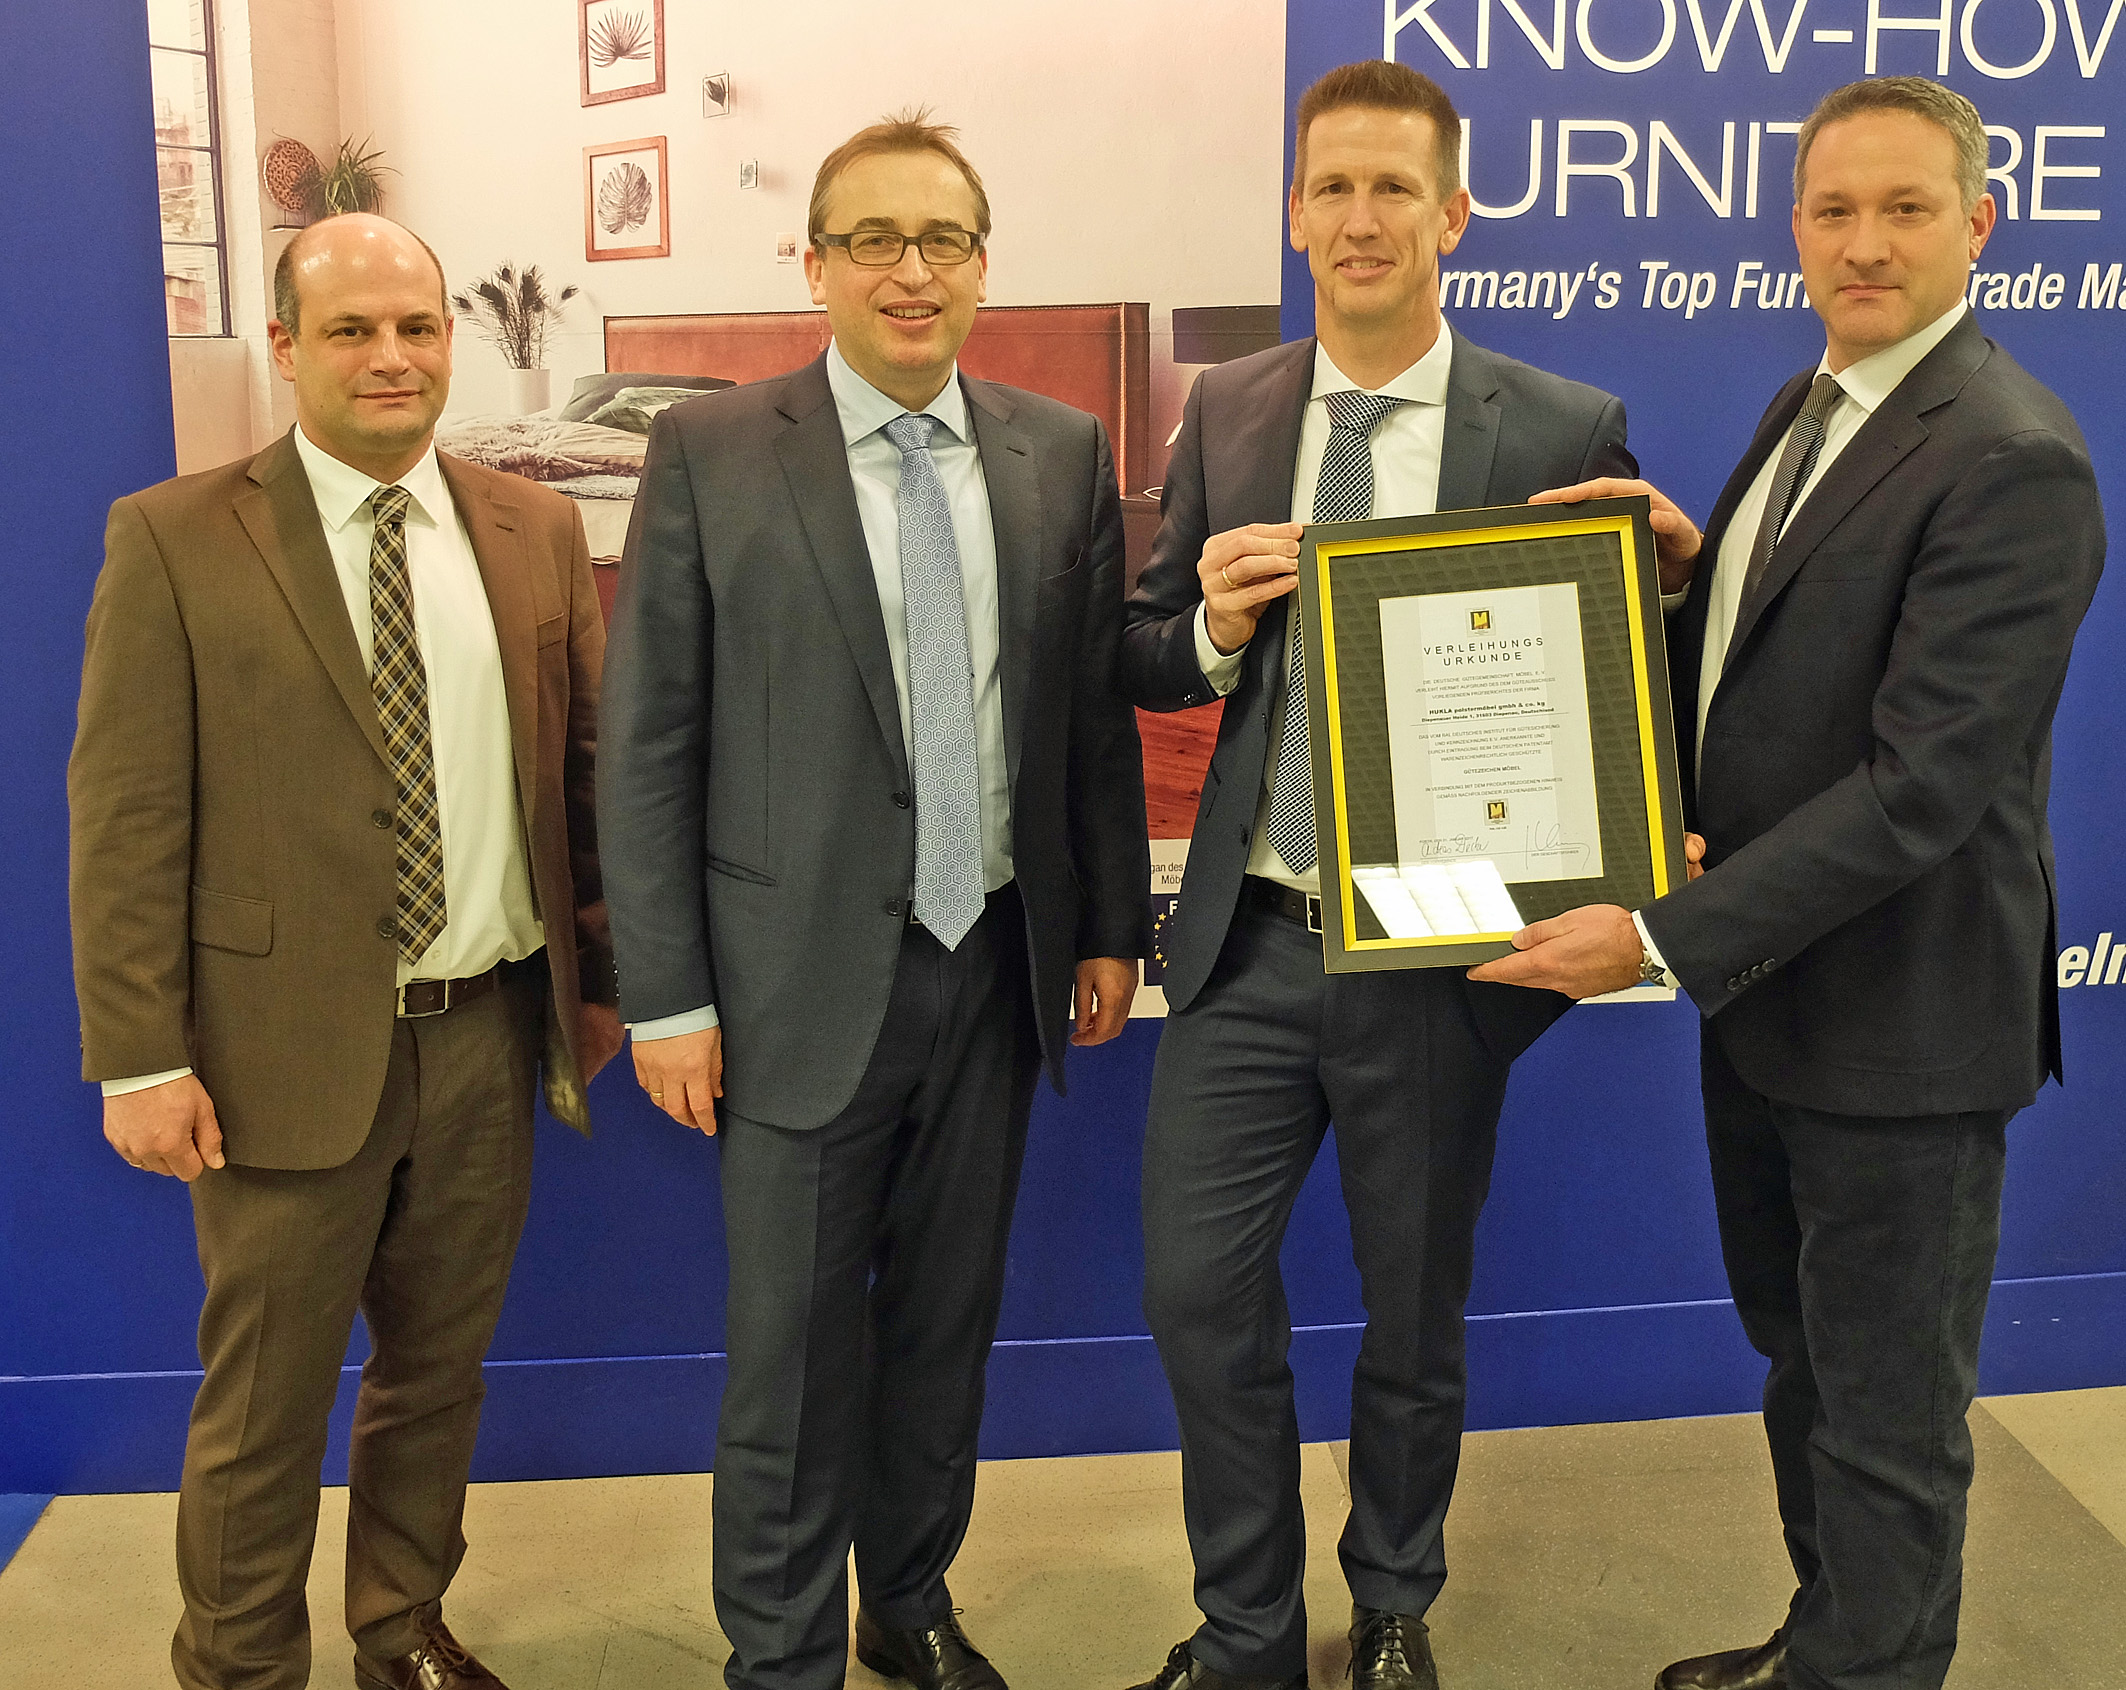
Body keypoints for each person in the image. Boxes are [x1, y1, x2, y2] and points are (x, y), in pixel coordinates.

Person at [1473, 77, 2105, 1690]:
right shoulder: (1813, 399)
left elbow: (1918, 790)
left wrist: (1653, 934)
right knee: (1805, 1367)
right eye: (1833, 210)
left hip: (1903, 1028)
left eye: (1904, 209)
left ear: (1978, 224)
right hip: (1778, 1006)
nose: (1863, 243)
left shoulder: (2012, 456)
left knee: (1886, 1411)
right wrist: (1691, 575)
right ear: (1794, 225)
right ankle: (1827, 1642)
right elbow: (1774, 665)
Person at [596, 112, 1149, 1690]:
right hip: (787, 986)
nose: (911, 271)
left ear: (981, 267)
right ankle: (779, 1655)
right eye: (874, 241)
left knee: (942, 1329)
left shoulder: (1059, 452)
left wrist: (1109, 924)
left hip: (994, 968)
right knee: (787, 1355)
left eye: (942, 241)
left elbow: (1088, 719)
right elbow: (650, 741)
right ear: (816, 266)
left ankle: (905, 1604)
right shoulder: (712, 451)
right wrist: (665, 994)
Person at [1117, 60, 1645, 1690]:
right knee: (1196, 1292)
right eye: (1332, 186)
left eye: (1392, 188)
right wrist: (1210, 626)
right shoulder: (1228, 408)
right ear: (1295, 212)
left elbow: (1602, 675)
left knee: (1412, 1309)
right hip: (1246, 939)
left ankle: (1395, 1598)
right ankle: (1249, 1628)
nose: (1360, 217)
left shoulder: (1554, 423)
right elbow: (1142, 649)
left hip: (1437, 946)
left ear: (1451, 214)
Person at [69, 213, 622, 1690]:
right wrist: (139, 1056)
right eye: (353, 330)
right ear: (286, 347)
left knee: (436, 1376)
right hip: (275, 1053)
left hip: (486, 1034)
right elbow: (125, 816)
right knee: (264, 1404)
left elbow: (585, 778)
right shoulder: (175, 536)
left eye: (417, 327)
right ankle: (241, 1664)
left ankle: (401, 1627)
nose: (392, 357)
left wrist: (605, 981)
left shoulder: (534, 529)